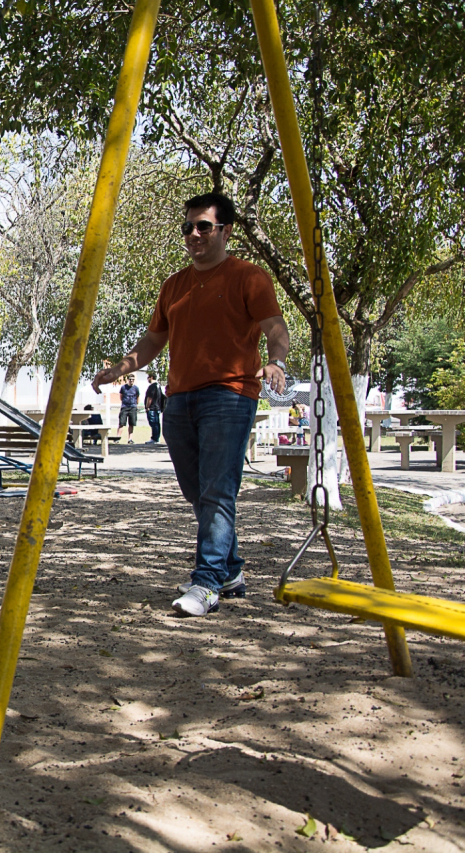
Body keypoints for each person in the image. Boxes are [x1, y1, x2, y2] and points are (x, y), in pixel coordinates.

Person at [92, 192, 289, 617]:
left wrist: (276, 361)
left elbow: (275, 325)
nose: (194, 234)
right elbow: (153, 341)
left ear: (225, 231)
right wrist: (119, 369)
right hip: (178, 399)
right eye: (188, 228)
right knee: (196, 490)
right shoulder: (174, 285)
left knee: (218, 489)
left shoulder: (248, 277)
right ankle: (231, 570)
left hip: (230, 396)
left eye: (203, 226)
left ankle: (207, 582)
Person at [116, 373, 140, 443]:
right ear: (128, 380)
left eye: (133, 380)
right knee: (121, 423)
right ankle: (118, 438)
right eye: (130, 379)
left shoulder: (136, 388)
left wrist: (135, 404)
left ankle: (130, 439)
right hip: (125, 407)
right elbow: (121, 397)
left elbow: (138, 397)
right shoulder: (123, 387)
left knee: (131, 424)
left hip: (133, 407)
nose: (131, 381)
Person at [143, 372, 166, 443]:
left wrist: (147, 406)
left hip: (152, 408)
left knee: (154, 423)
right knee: (156, 423)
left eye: (148, 378)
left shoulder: (152, 386)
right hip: (157, 407)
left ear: (151, 377)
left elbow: (150, 397)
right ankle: (156, 438)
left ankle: (155, 438)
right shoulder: (158, 386)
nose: (147, 379)